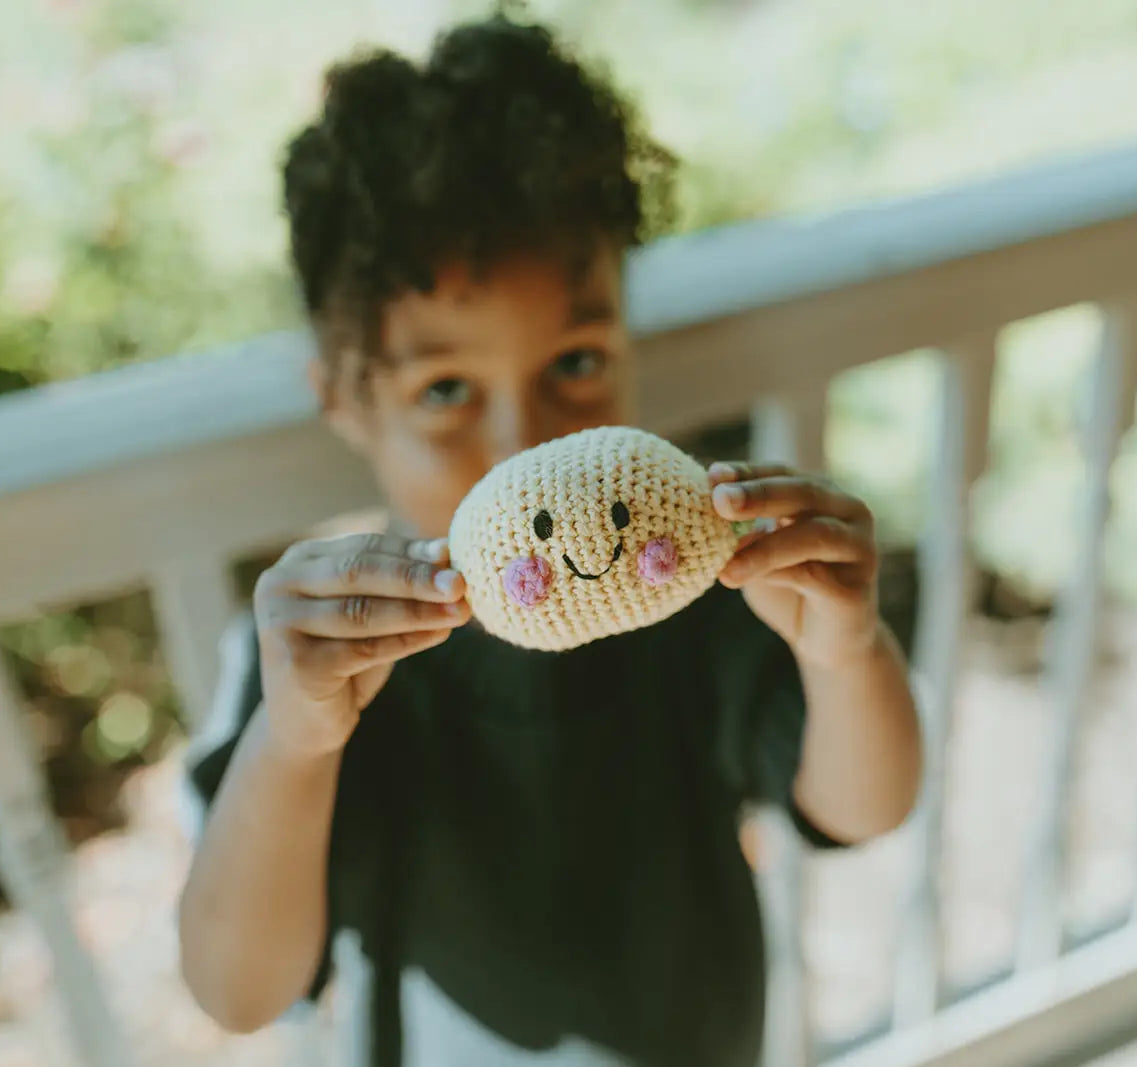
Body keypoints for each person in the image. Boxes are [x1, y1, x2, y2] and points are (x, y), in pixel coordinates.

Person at [176, 11, 922, 1067]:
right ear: (346, 400)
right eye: (445, 389)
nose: (522, 445)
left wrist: (843, 649)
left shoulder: (703, 592)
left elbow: (862, 807)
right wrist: (297, 739)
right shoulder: (320, 660)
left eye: (573, 363)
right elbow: (237, 989)